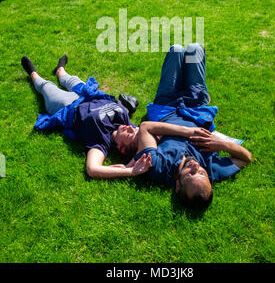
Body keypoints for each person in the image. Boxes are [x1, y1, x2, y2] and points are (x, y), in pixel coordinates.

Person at [88, 44, 251, 211]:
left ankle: (183, 83)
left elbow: (145, 128)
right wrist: (223, 145)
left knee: (177, 50)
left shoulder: (158, 167)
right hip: (197, 109)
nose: (195, 167)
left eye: (190, 174)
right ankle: (195, 89)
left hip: (166, 108)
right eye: (201, 173)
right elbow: (246, 158)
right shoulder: (212, 170)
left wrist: (188, 131)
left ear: (178, 186)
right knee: (195, 49)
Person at [20, 54, 150, 178]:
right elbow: (155, 133)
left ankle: (32, 73)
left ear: (122, 148)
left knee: (46, 86)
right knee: (69, 79)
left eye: (131, 134)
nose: (131, 127)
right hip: (89, 95)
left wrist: (130, 170)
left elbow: (92, 169)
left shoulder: (101, 141)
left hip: (68, 105)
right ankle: (60, 69)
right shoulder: (126, 123)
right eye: (136, 128)